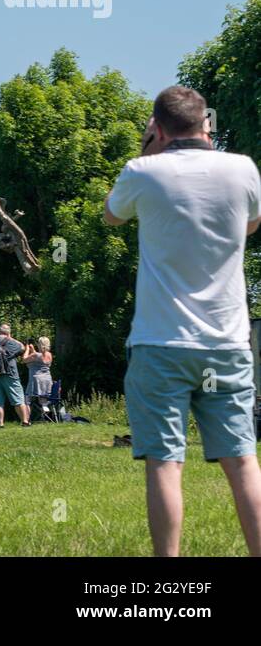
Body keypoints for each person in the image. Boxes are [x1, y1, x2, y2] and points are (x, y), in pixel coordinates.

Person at [103, 86, 261, 556]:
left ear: (158, 126)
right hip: (227, 341)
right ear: (206, 124)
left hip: (161, 341)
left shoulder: (143, 172)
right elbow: (249, 224)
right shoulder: (243, 169)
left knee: (166, 464)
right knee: (243, 463)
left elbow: (112, 215)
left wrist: (149, 151)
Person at [0, 324, 29, 427]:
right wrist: (10, 337)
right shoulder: (11, 342)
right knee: (18, 399)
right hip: (10, 374)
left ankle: (0, 424)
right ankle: (25, 421)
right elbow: (22, 347)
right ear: (8, 332)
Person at [22, 338, 54, 421]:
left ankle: (26, 420)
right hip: (47, 380)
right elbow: (39, 359)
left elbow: (24, 359)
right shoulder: (49, 355)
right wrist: (33, 350)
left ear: (40, 344)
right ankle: (46, 418)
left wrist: (27, 349)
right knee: (43, 401)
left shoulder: (36, 355)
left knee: (27, 400)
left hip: (36, 380)